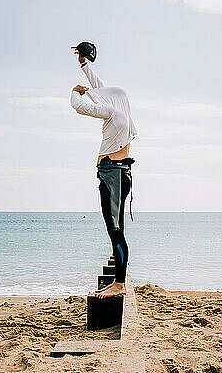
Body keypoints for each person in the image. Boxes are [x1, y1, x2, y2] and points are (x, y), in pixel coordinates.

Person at [70, 44, 137, 298]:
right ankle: (118, 282)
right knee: (115, 230)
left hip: (113, 175)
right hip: (116, 173)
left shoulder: (110, 111)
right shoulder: (124, 112)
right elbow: (100, 88)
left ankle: (119, 285)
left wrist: (75, 92)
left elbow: (81, 107)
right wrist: (84, 64)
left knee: (115, 231)